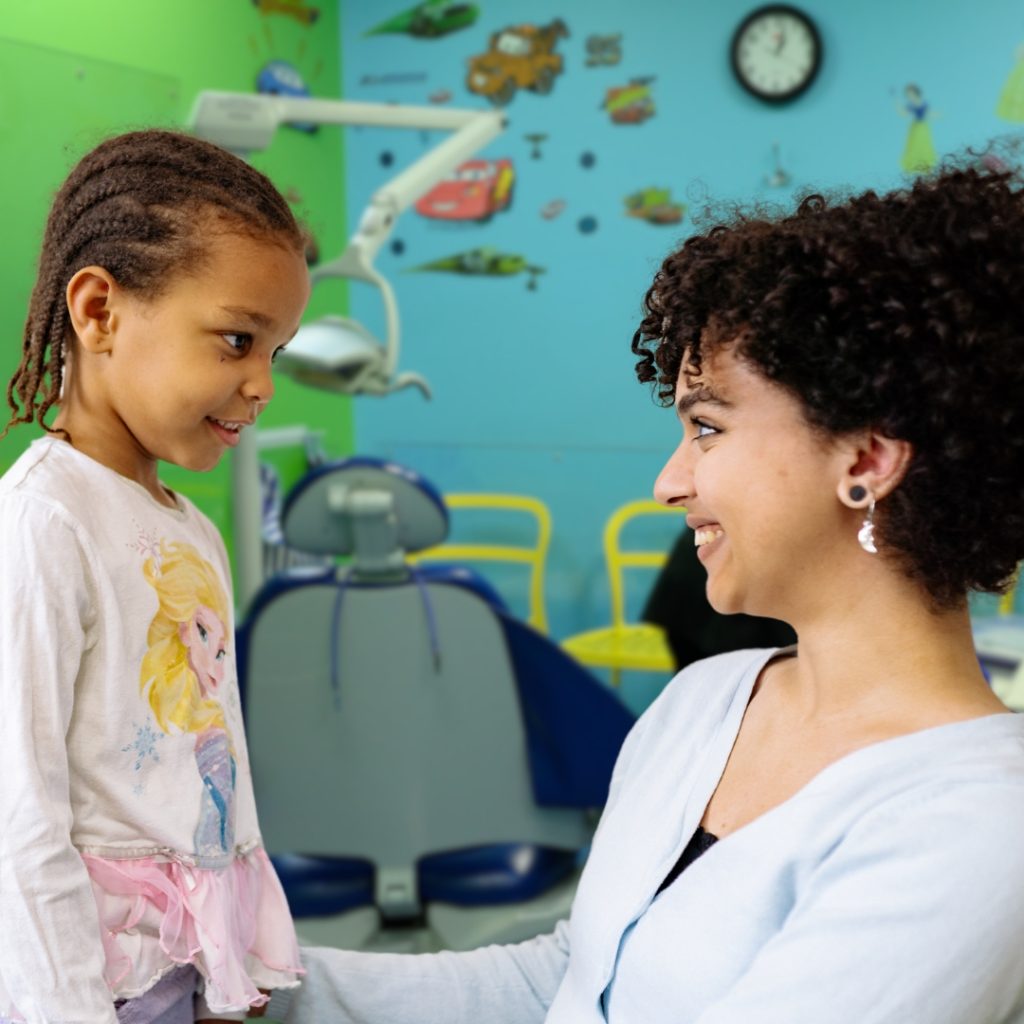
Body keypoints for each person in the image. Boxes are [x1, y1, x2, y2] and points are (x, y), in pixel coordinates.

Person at [258, 160, 1024, 1023]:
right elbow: (568, 982)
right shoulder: (706, 701)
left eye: (707, 427)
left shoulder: (977, 825)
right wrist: (255, 994)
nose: (668, 482)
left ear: (866, 460)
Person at [0, 130, 311, 1023]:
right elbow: (18, 814)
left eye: (277, 353)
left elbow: (212, 765)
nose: (263, 384)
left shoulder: (192, 531)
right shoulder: (45, 522)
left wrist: (232, 963)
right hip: (88, 991)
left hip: (182, 973)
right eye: (238, 340)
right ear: (99, 311)